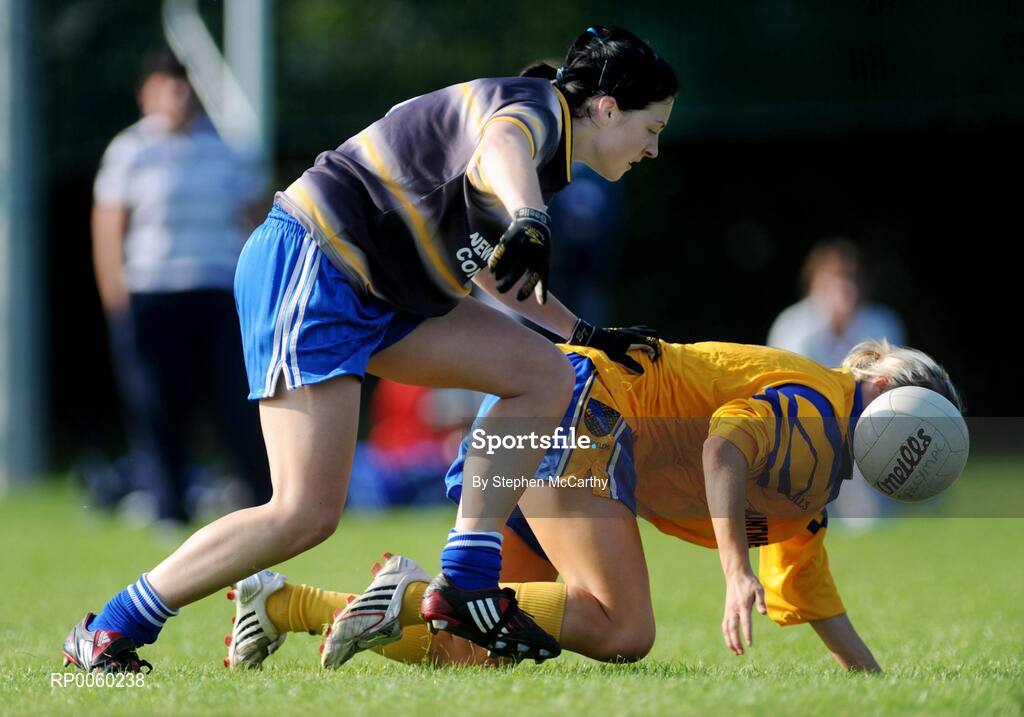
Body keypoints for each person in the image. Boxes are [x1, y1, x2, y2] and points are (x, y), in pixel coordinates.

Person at [61, 26, 678, 673]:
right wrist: (530, 216)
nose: (654, 148)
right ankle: (107, 629)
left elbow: (502, 274)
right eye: (652, 127)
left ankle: (465, 577)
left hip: (379, 294)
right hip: (316, 262)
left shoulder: (542, 157)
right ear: (606, 108)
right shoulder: (535, 110)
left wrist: (581, 332)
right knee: (303, 512)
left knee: (542, 374)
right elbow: (502, 143)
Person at [224, 337, 961, 672]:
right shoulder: (823, 404)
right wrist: (736, 570)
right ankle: (415, 593)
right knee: (623, 627)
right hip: (578, 410)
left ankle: (284, 604)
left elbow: (813, 592)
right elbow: (722, 450)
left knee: (474, 647)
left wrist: (876, 686)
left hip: (567, 417)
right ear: (895, 390)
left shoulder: (814, 481)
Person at [89, 49, 272, 526]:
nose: (178, 93)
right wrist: (117, 299)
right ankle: (168, 506)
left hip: (217, 294)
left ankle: (263, 504)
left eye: (182, 83)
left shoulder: (226, 147)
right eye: (166, 84)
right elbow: (109, 227)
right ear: (145, 93)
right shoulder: (129, 151)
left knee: (237, 400)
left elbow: (255, 220)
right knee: (159, 405)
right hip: (153, 292)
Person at [767, 238, 906, 526]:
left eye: (850, 279)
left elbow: (891, 390)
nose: (845, 289)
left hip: (863, 439)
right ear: (814, 284)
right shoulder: (792, 325)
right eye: (834, 280)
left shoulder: (882, 324)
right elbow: (788, 391)